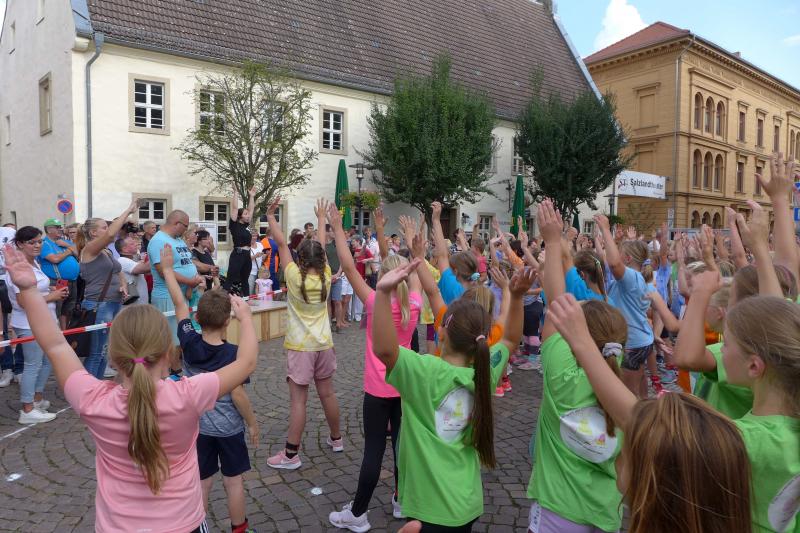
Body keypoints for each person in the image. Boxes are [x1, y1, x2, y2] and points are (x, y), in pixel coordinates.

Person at [4, 241, 258, 532]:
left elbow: (55, 345)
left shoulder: (93, 399)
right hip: (183, 523)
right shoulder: (188, 395)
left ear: (113, 358)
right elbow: (246, 363)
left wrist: (28, 290)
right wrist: (246, 319)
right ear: (168, 354)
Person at [547, 292, 757, 533]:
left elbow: (635, 417)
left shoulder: (564, 383)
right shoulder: (731, 444)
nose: (621, 461)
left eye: (633, 450)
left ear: (657, 477)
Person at [374, 258, 535, 532]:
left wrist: (382, 293)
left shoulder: (424, 371)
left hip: (430, 507)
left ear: (442, 333)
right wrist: (516, 297)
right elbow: (510, 339)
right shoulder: (485, 371)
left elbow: (385, 350)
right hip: (466, 501)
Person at [526, 200, 626, 533]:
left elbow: (556, 304)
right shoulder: (622, 386)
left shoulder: (563, 379)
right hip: (605, 510)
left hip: (558, 510)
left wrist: (553, 242)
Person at [327, 205, 422, 530]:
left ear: (384, 277)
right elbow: (418, 272)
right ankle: (401, 499)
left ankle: (358, 513)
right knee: (401, 447)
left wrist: (337, 228)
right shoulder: (414, 304)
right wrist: (413, 244)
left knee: (374, 450)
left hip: (378, 390)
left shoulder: (373, 301)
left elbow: (348, 266)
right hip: (404, 386)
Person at [163, 244, 259, 533]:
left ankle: (198, 526)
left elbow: (180, 305)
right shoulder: (234, 355)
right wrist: (252, 422)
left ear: (198, 318)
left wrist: (167, 270)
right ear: (228, 320)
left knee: (202, 482)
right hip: (229, 429)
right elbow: (238, 394)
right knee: (234, 482)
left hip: (199, 429)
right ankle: (239, 528)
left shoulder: (189, 341)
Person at [266, 198, 343, 470]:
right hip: (324, 344)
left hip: (301, 347)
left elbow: (281, 243)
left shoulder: (294, 277)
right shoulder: (325, 276)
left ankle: (291, 455)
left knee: (298, 401)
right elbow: (318, 246)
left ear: (300, 259)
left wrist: (271, 216)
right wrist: (321, 219)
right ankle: (337, 439)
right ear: (322, 260)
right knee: (328, 394)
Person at [4, 227, 67, 424]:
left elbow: (36, 288)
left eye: (40, 241)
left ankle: (36, 399)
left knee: (48, 361)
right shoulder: (16, 268)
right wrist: (52, 296)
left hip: (45, 319)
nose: (38, 245)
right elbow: (22, 302)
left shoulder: (34, 262)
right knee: (33, 364)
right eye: (32, 242)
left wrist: (50, 290)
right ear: (20, 244)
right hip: (28, 322)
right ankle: (27, 409)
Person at [594, 214, 654, 399]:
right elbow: (608, 260)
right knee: (640, 380)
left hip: (632, 343)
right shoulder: (636, 278)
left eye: (621, 253)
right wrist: (617, 240)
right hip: (641, 340)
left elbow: (613, 263)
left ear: (627, 259)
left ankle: (635, 415)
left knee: (628, 393)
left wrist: (606, 229)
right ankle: (645, 407)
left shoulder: (632, 278)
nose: (616, 256)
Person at [76, 202, 137, 379]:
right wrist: (128, 210)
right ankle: (89, 387)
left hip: (112, 302)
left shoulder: (105, 251)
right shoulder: (90, 249)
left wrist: (123, 284)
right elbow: (111, 234)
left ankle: (98, 384)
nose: (107, 229)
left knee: (103, 350)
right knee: (96, 352)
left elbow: (117, 270)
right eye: (103, 227)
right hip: (99, 304)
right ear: (93, 233)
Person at [147, 210, 204, 345]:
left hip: (182, 294)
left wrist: (194, 279)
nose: (186, 230)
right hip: (167, 296)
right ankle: (174, 360)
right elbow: (163, 271)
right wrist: (190, 281)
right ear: (177, 223)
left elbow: (187, 262)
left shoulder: (178, 240)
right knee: (173, 340)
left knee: (183, 337)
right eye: (185, 226)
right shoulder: (159, 241)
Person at [430, 202, 478, 305]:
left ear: (456, 271)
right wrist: (463, 241)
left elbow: (442, 255)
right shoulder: (479, 289)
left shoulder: (450, 282)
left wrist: (436, 220)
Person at [39, 218, 80, 329]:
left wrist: (67, 245)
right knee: (57, 310)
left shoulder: (65, 242)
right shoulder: (44, 244)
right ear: (49, 230)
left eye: (61, 227)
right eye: (57, 227)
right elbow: (55, 259)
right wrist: (69, 251)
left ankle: (64, 333)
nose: (60, 229)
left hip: (72, 281)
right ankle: (55, 333)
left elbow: (79, 255)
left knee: (68, 310)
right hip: (57, 281)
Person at [225, 187, 257, 296]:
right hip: (237, 254)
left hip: (247, 255)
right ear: (239, 216)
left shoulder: (245, 226)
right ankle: (222, 299)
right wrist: (235, 192)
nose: (248, 216)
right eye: (245, 214)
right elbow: (234, 208)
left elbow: (251, 210)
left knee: (245, 280)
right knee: (230, 279)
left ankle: (247, 300)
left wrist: (251, 196)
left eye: (247, 214)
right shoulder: (234, 225)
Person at [115, 236, 149, 306]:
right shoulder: (122, 260)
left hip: (139, 304)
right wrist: (156, 256)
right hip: (134, 306)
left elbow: (148, 272)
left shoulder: (131, 260)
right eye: (132, 244)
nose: (136, 244)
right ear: (124, 249)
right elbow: (144, 269)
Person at [325, 224, 345, 332]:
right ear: (327, 232)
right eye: (331, 230)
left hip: (338, 276)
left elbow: (343, 259)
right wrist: (329, 275)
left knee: (337, 301)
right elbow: (325, 261)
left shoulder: (338, 244)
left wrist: (338, 274)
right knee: (327, 302)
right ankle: (328, 324)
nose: (333, 232)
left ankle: (338, 324)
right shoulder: (324, 245)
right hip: (327, 276)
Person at [248, 230, 264, 296]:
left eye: (255, 236)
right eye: (252, 236)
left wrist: (265, 255)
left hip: (260, 272)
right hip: (250, 272)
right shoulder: (246, 246)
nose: (254, 237)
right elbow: (245, 259)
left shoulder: (260, 245)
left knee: (258, 291)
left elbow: (262, 258)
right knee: (250, 291)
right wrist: (255, 256)